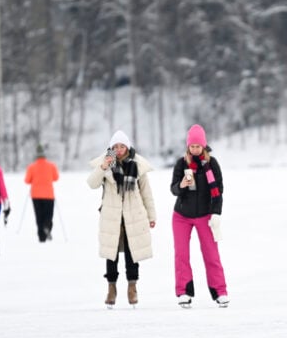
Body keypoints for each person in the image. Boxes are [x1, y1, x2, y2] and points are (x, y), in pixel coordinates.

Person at [87, 130, 156, 308]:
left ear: (127, 147)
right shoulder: (106, 162)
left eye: (122, 146)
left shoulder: (137, 164)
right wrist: (103, 167)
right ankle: (111, 288)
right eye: (115, 146)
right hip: (112, 215)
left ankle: (132, 287)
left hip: (134, 215)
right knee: (111, 254)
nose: (118, 150)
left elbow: (146, 193)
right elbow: (92, 183)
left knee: (133, 253)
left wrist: (151, 215)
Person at [170, 124, 229, 308]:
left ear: (203, 146)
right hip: (181, 216)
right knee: (181, 255)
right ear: (188, 146)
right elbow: (173, 189)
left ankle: (220, 292)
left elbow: (218, 191)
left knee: (211, 255)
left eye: (198, 146)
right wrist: (182, 185)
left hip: (205, 215)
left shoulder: (212, 164)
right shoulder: (181, 163)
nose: (195, 149)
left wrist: (216, 213)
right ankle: (184, 292)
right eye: (192, 146)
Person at [24, 144, 59, 242]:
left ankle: (41, 237)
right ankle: (47, 226)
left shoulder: (31, 167)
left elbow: (27, 180)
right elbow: (56, 178)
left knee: (39, 216)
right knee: (48, 214)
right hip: (49, 195)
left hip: (36, 195)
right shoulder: (51, 166)